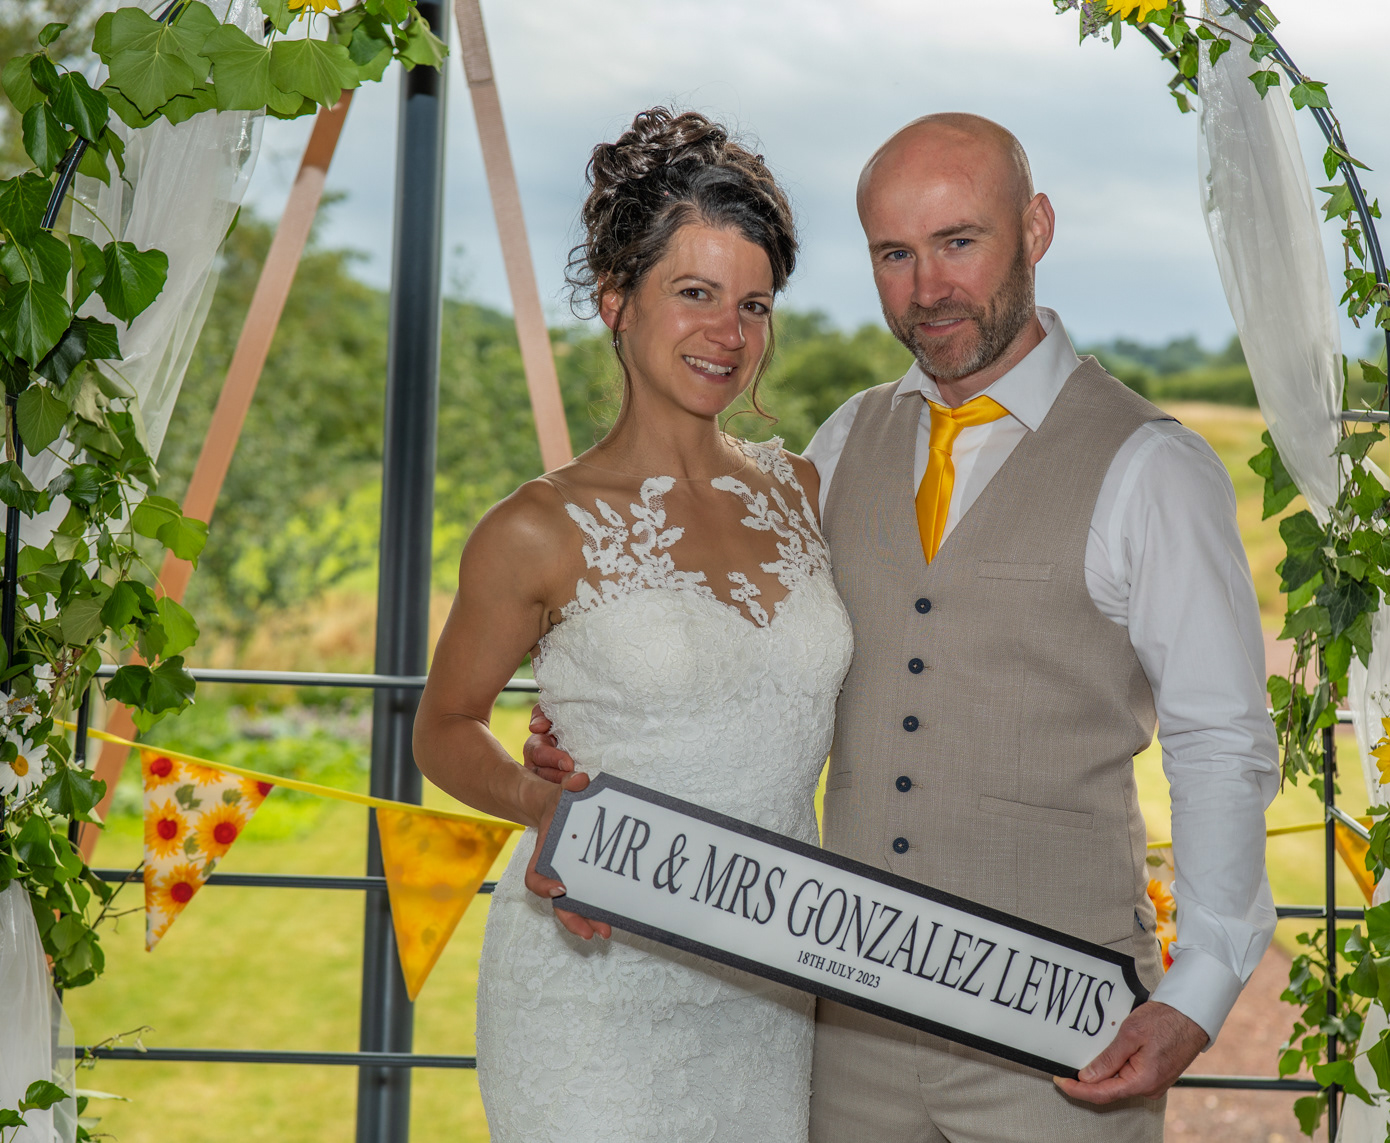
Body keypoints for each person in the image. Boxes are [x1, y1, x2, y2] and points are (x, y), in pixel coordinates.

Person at [527, 112, 1279, 1142]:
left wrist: (1199, 991)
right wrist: (602, 737)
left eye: (958, 241)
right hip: (847, 1031)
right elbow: (756, 661)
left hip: (1061, 1029)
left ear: (1036, 228)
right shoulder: (844, 442)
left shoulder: (1154, 467)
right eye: (894, 254)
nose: (928, 289)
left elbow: (1221, 737)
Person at [413, 107, 852, 1143]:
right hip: (593, 968)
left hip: (772, 974)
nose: (728, 334)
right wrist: (540, 805)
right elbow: (442, 727)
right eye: (694, 293)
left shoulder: (802, 490)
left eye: (753, 304)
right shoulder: (534, 528)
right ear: (617, 299)